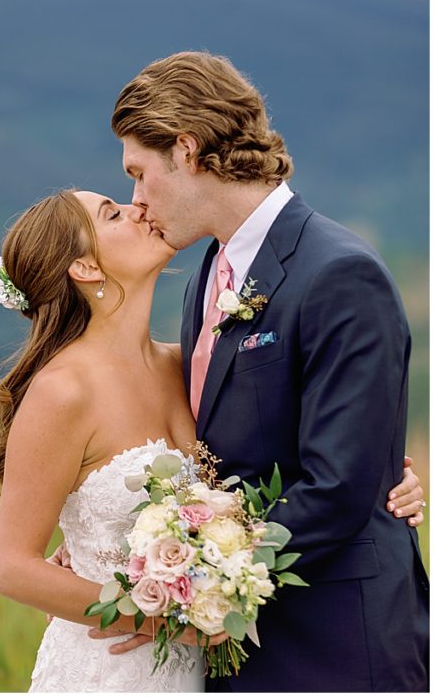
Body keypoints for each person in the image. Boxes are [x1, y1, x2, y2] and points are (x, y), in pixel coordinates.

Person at [104, 51, 428, 691]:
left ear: (188, 150)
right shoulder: (208, 273)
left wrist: (197, 580)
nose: (136, 200)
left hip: (334, 638)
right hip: (236, 640)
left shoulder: (338, 273)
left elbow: (341, 483)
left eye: (140, 173)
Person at [0, 189, 225, 691]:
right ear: (84, 268)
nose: (139, 207)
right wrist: (163, 622)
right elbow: (13, 569)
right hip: (107, 670)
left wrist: (393, 479)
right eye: (113, 213)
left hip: (192, 673)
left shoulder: (184, 365)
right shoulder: (62, 391)